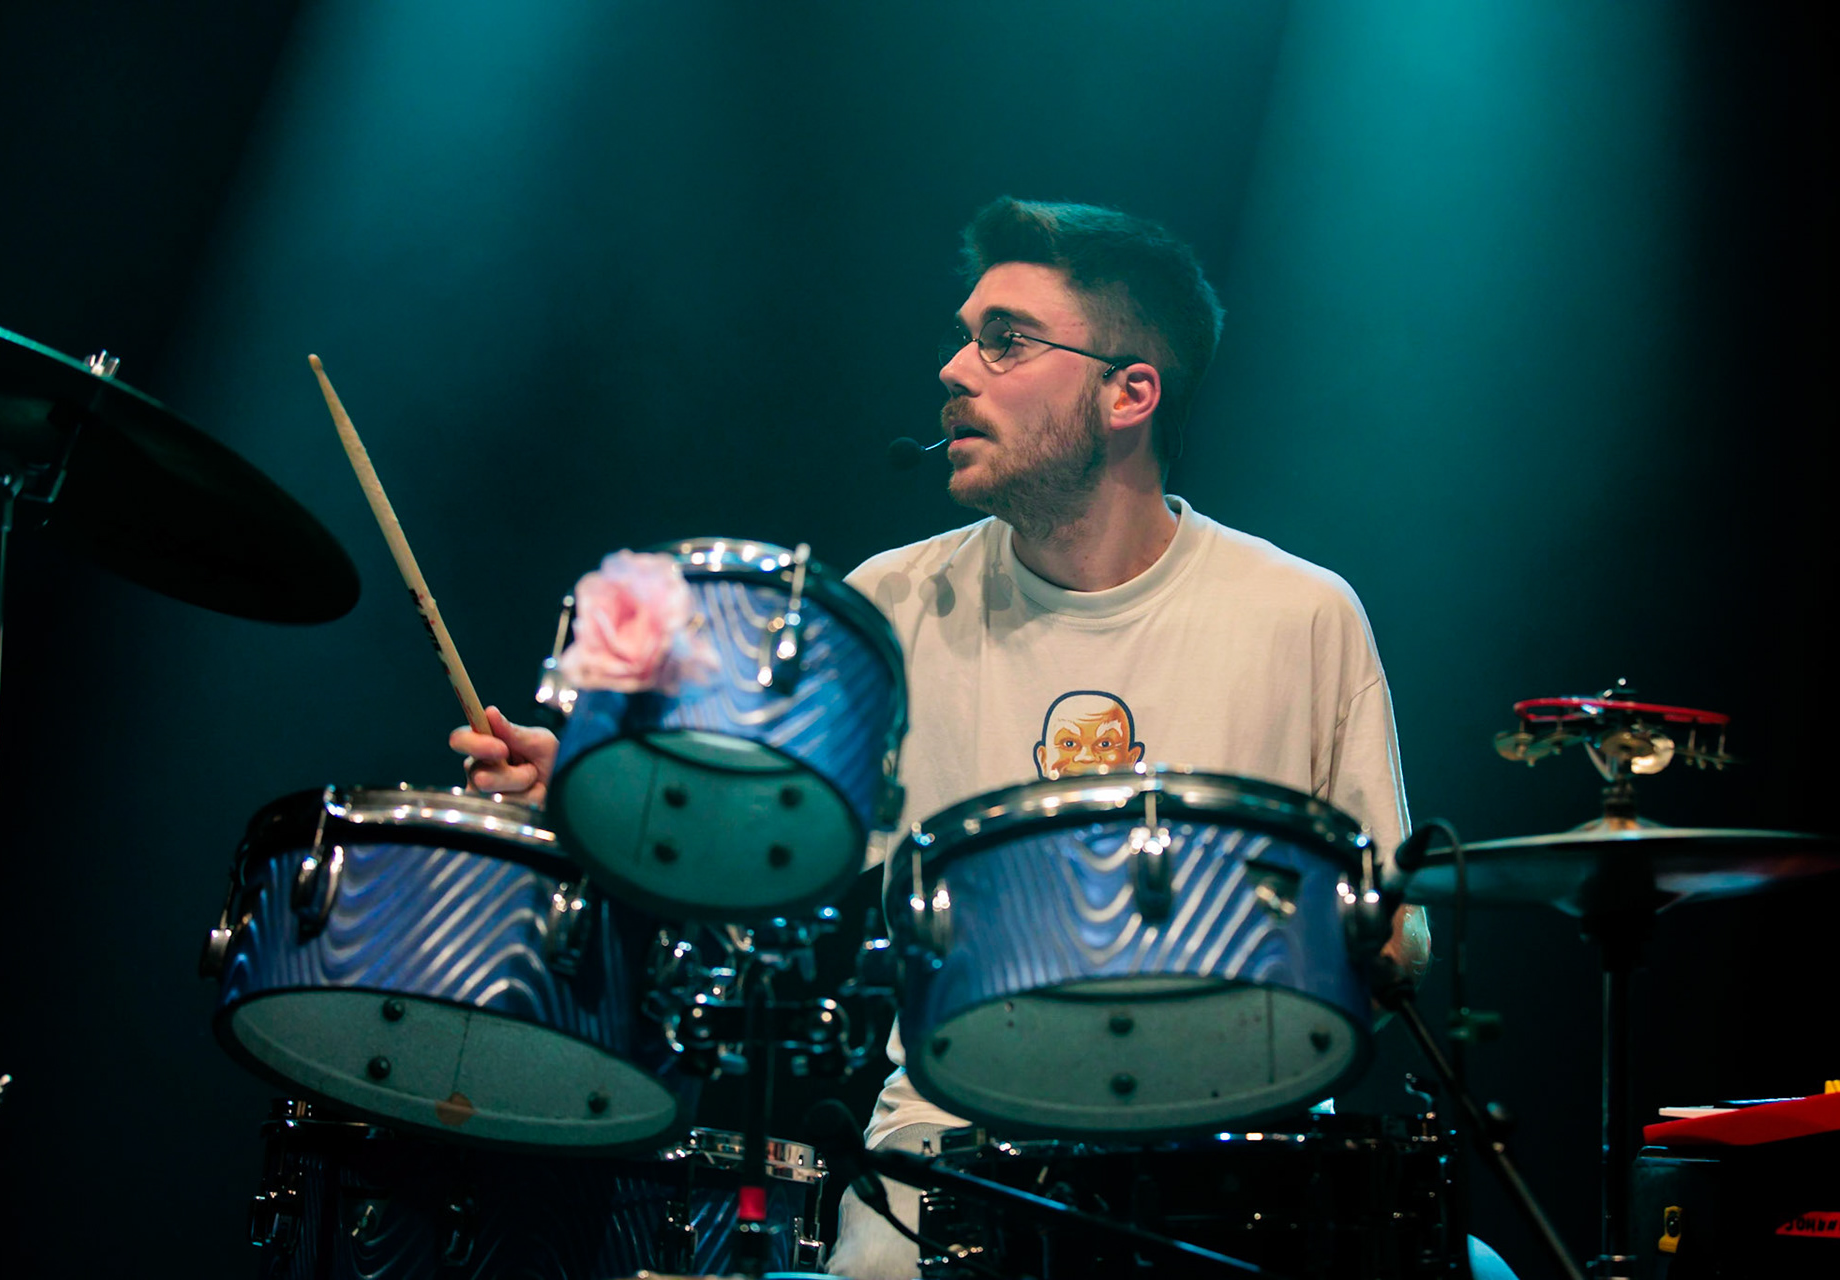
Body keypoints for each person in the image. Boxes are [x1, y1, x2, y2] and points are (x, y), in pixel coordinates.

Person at [453, 198, 1502, 1280]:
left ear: (1129, 389)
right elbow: (751, 854)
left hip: (1237, 1173)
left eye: (1006, 339)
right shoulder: (893, 606)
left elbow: (1396, 937)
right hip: (940, 1170)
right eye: (964, 336)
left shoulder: (1300, 613)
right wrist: (595, 795)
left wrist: (1337, 943)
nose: (957, 368)